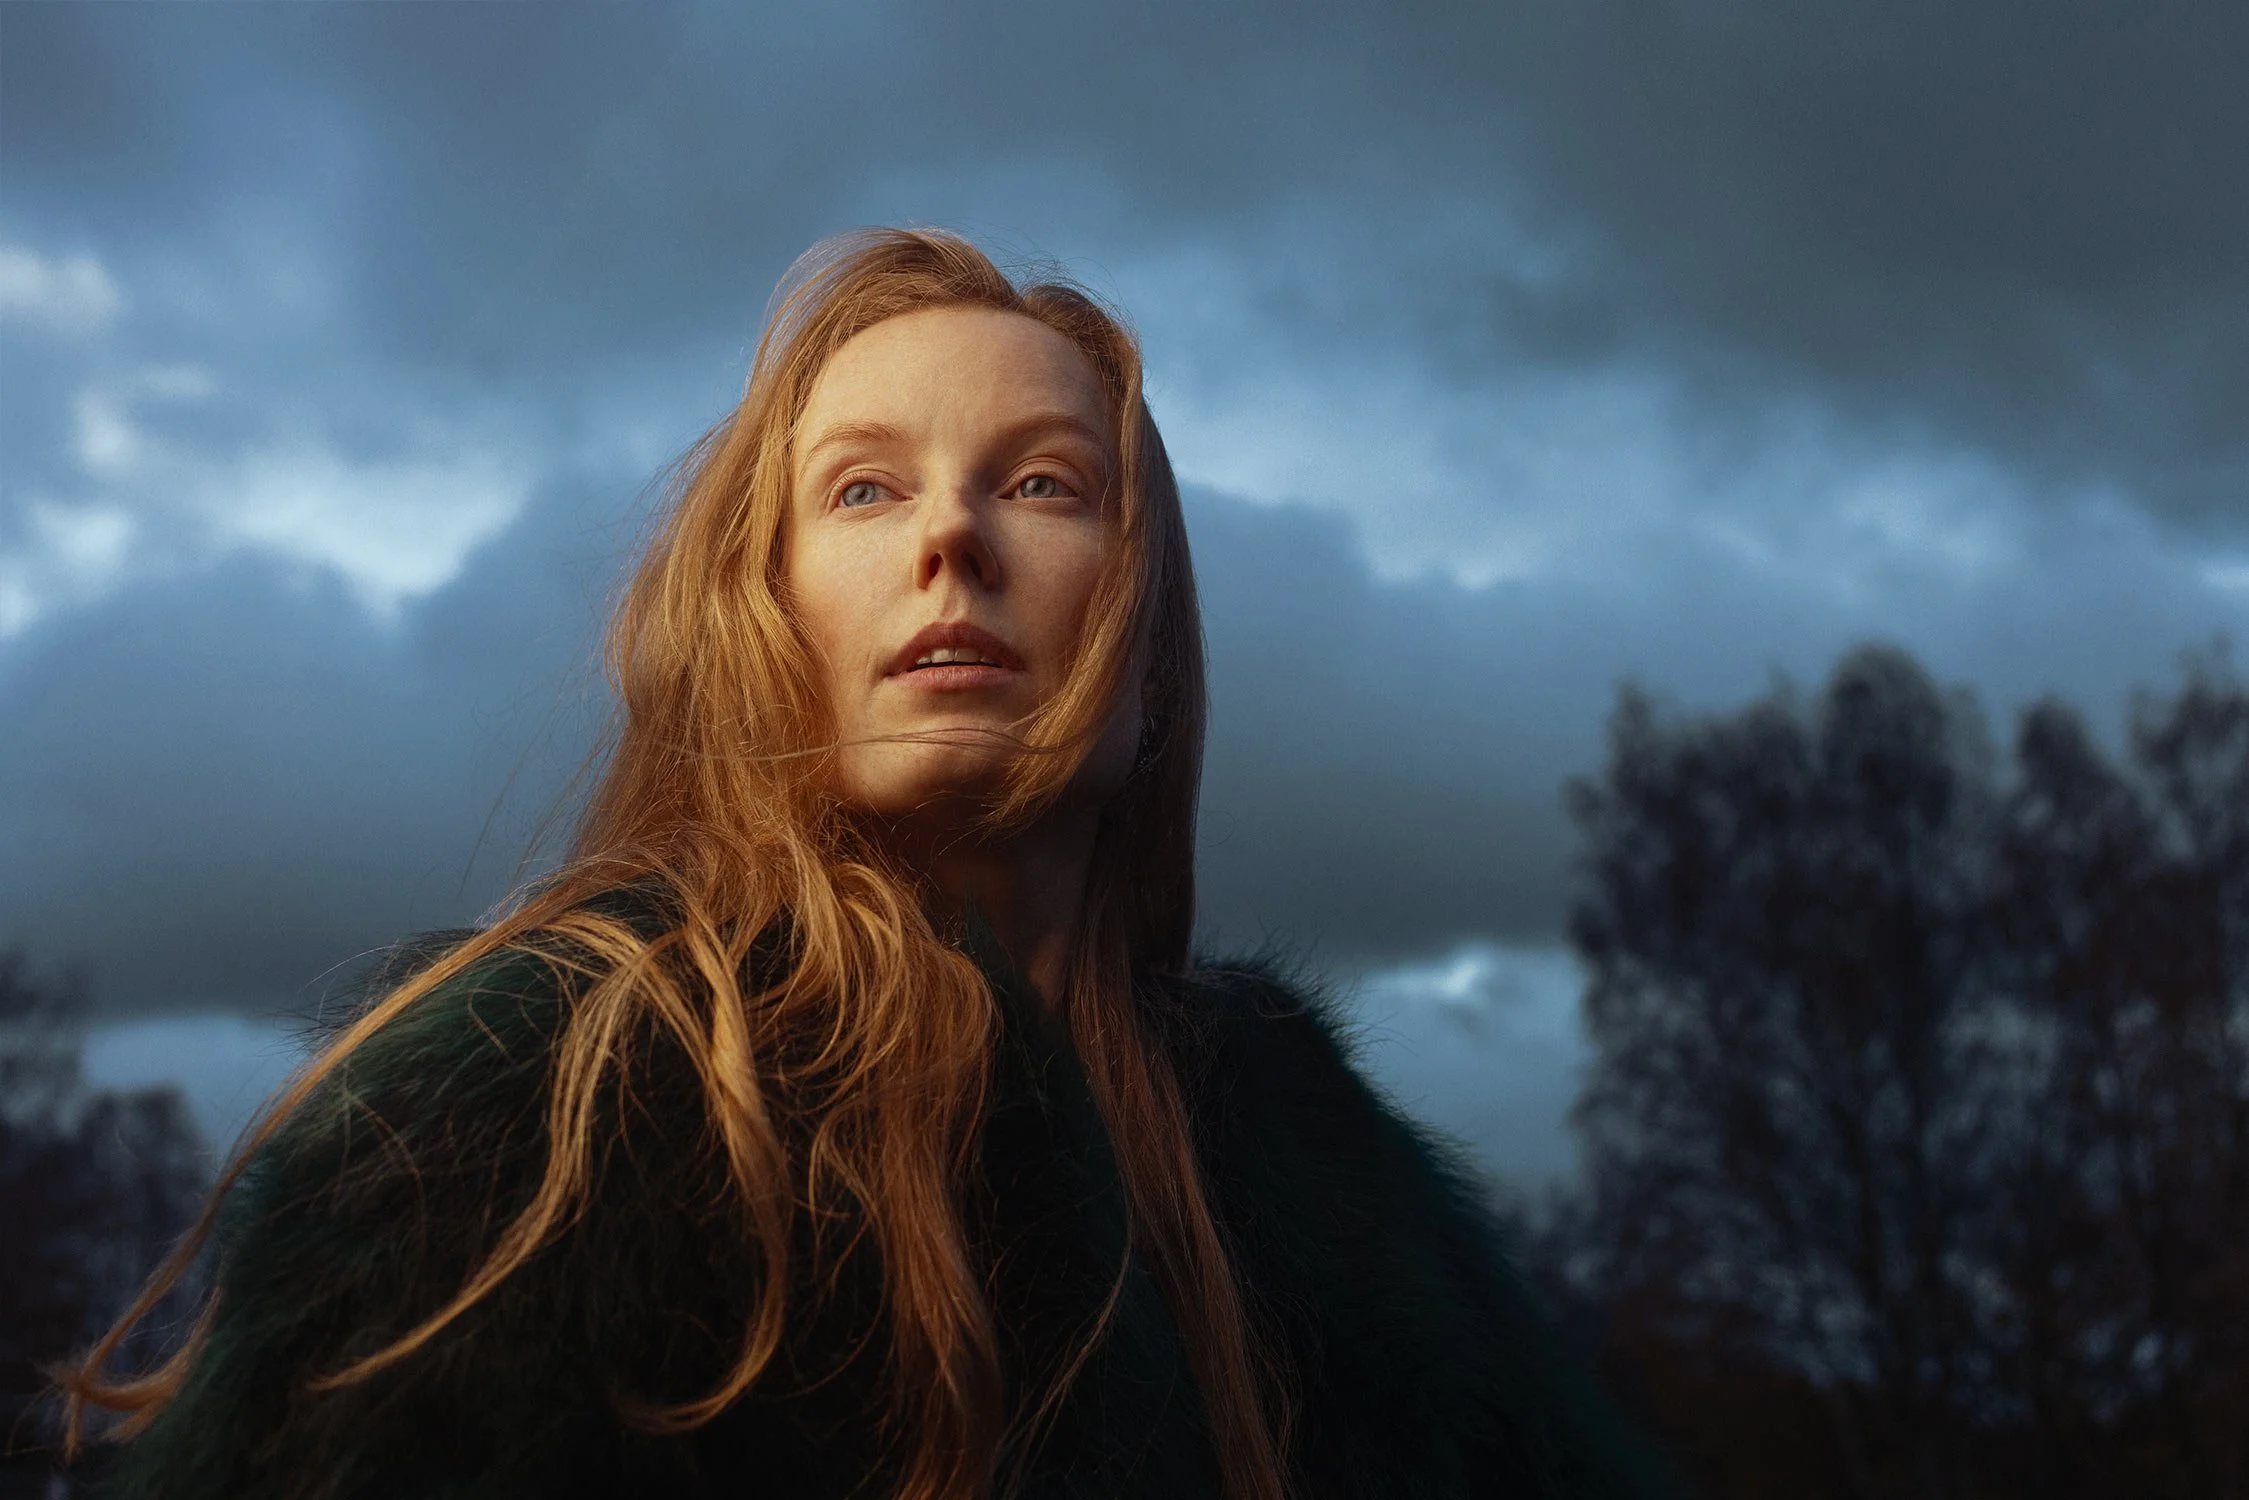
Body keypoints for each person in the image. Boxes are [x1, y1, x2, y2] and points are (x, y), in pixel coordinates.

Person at [58, 229, 1665, 1500]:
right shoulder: (542, 1103)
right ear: (763, 626)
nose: (950, 538)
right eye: (865, 489)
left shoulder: (1331, 1192)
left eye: (1044, 482)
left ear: (1149, 650)